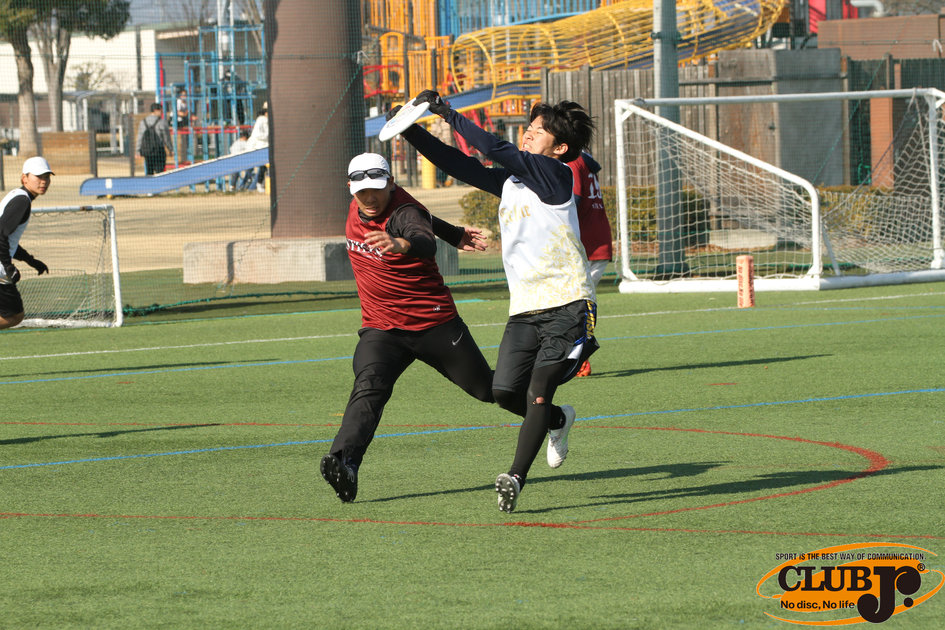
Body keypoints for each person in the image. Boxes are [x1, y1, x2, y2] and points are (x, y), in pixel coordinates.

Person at [400, 91, 599, 513]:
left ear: (560, 148)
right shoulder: (512, 181)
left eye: (538, 132)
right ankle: (559, 420)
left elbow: (494, 148)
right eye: (529, 129)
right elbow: (459, 164)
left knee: (539, 389)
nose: (528, 135)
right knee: (505, 391)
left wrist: (447, 112)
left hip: (568, 303)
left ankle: (515, 478)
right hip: (525, 308)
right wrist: (408, 129)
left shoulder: (556, 174)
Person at [320, 153, 508, 503]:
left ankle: (549, 412)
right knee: (369, 386)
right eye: (362, 192)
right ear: (351, 189)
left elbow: (422, 235)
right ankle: (344, 463)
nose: (370, 198)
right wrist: (454, 233)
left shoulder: (404, 213)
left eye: (377, 189)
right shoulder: (363, 204)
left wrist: (402, 244)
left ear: (391, 184)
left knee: (487, 390)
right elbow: (428, 218)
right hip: (381, 328)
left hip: (433, 324)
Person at [569, 150, 613, 377]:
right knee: (577, 302)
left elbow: (572, 201)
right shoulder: (582, 159)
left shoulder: (573, 161)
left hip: (587, 245)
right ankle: (575, 355)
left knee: (576, 303)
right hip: (594, 242)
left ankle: (579, 357)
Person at [0, 156, 52, 329]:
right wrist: (8, 268)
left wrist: (31, 260)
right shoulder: (22, 201)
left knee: (13, 314)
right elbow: (0, 235)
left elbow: (9, 240)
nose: (43, 181)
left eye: (47, 176)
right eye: (38, 176)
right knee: (14, 315)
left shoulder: (18, 196)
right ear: (25, 178)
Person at [136, 102, 172, 175]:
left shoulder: (143, 122)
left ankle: (149, 182)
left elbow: (140, 137)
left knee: (149, 172)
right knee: (160, 173)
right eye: (161, 111)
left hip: (148, 151)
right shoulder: (162, 122)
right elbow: (166, 138)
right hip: (159, 151)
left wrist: (137, 151)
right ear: (156, 110)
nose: (162, 112)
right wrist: (171, 149)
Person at [247, 102, 269, 193]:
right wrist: (268, 136)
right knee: (262, 167)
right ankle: (257, 185)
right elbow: (257, 134)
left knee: (264, 167)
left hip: (266, 147)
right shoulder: (261, 120)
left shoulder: (267, 120)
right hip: (259, 147)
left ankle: (257, 185)